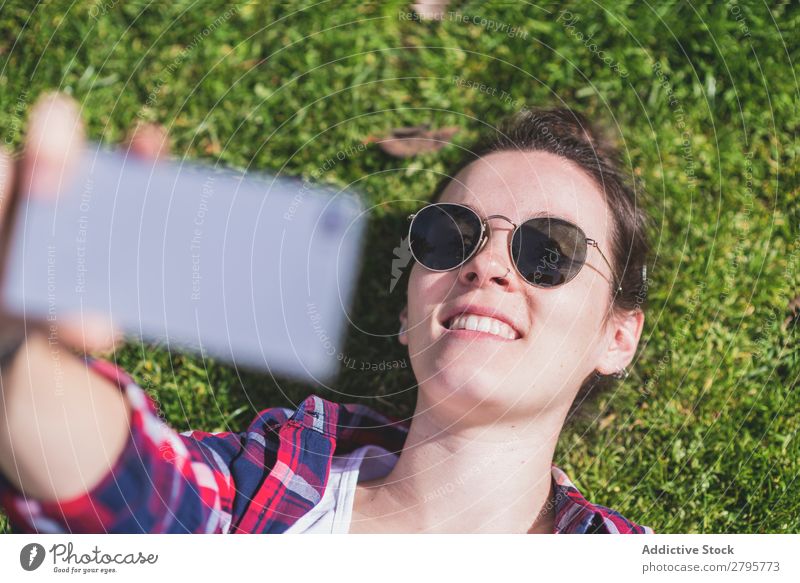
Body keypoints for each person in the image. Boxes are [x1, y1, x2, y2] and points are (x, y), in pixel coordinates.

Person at [0, 93, 652, 534]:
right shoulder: (263, 494)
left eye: (548, 250)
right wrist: (10, 345)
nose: (486, 265)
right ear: (406, 311)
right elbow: (135, 492)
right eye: (450, 235)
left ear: (618, 335)